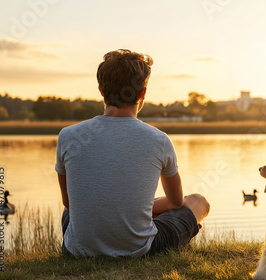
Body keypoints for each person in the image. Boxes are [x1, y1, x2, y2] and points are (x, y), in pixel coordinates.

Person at [56, 49, 210, 257]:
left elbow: (69, 204)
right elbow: (175, 202)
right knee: (198, 202)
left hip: (77, 250)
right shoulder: (159, 140)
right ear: (143, 93)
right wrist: (144, 210)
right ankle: (159, 228)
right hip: (139, 249)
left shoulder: (68, 136)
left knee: (70, 213)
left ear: (101, 90)